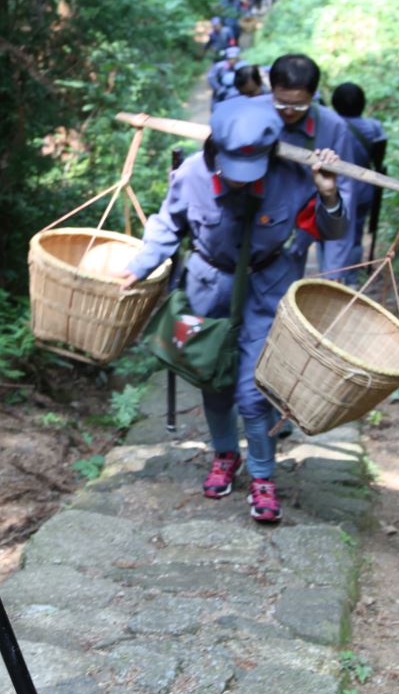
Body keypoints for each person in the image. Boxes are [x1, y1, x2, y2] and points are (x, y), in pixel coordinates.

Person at [117, 97, 346, 524]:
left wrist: (329, 192)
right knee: (213, 380)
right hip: (208, 291)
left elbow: (331, 230)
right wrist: (138, 267)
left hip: (266, 290)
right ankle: (225, 455)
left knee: (254, 392)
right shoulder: (190, 175)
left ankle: (262, 475)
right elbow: (168, 225)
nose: (241, 181)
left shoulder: (294, 178)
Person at [267, 54, 370, 284]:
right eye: (281, 103)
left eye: (299, 105)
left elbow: (343, 198)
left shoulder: (333, 128)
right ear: (271, 90)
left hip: (293, 241)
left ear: (313, 96)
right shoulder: (250, 116)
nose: (289, 111)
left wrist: (333, 273)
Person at [331, 81, 388, 280]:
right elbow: (379, 161)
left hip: (333, 187)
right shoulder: (373, 128)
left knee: (330, 233)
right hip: (363, 188)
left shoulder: (331, 124)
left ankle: (331, 275)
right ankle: (351, 277)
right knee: (355, 233)